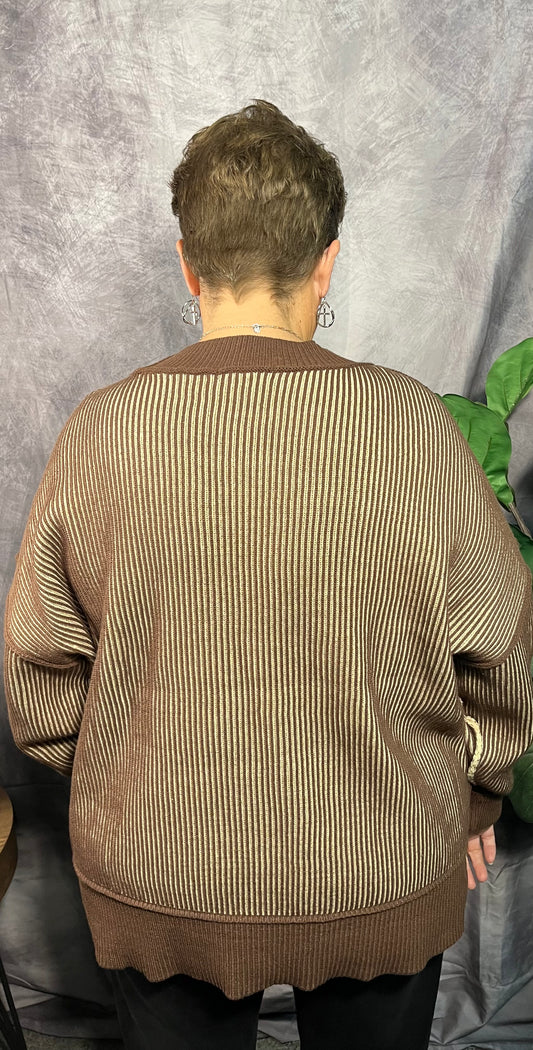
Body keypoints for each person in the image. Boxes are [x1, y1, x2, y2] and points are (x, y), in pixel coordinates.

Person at [4, 99, 533, 1050]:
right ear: (325, 262)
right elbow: (498, 652)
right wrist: (476, 791)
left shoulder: (100, 434)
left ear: (188, 263)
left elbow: (39, 680)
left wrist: (131, 778)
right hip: (379, 864)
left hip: (163, 872)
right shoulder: (416, 429)